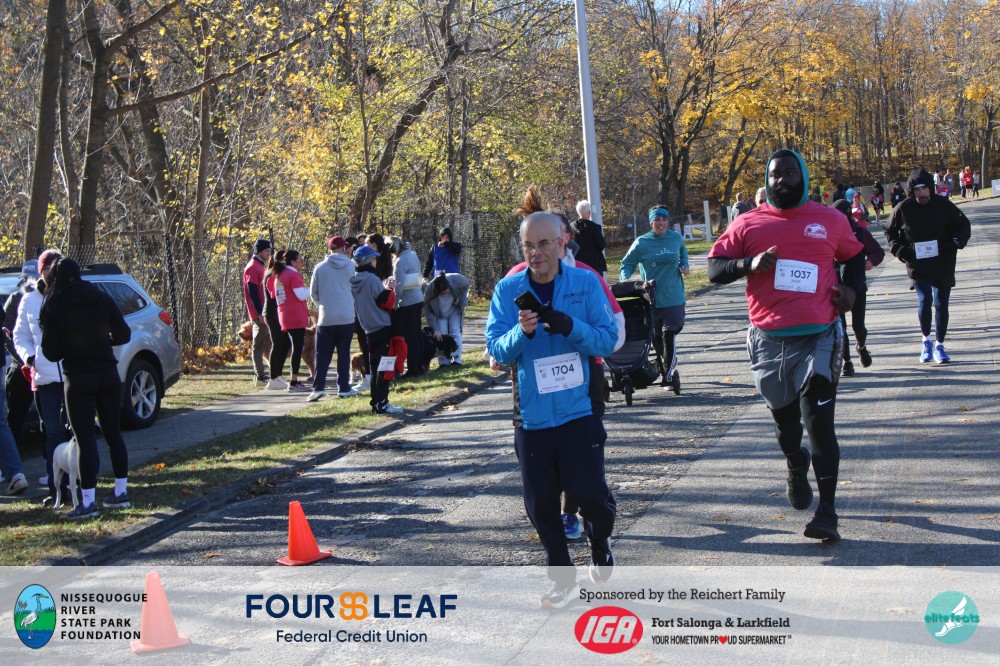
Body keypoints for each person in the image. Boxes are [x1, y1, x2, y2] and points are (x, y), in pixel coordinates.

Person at [707, 148, 866, 543]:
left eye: (790, 173)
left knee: (819, 423)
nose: (783, 180)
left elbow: (855, 256)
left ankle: (827, 512)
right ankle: (796, 463)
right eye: (776, 174)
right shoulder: (748, 223)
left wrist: (850, 290)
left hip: (819, 335)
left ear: (803, 177)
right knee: (787, 430)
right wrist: (749, 264)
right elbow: (714, 269)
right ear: (767, 179)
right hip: (768, 340)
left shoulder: (829, 219)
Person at [486, 209, 618, 608]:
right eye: (529, 245)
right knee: (541, 506)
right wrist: (522, 332)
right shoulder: (508, 290)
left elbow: (607, 340)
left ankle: (600, 540)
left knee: (591, 496)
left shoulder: (585, 283)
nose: (536, 252)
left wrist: (571, 328)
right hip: (532, 416)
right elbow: (496, 350)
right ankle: (562, 579)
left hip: (579, 410)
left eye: (544, 243)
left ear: (562, 243)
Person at [39, 258, 132, 519]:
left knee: (85, 439)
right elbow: (123, 334)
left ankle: (88, 501)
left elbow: (50, 352)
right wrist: (102, 342)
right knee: (113, 434)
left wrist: (72, 346)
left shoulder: (55, 304)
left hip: (78, 377)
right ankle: (121, 492)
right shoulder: (100, 296)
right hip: (107, 372)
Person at [884, 168, 971, 364]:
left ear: (931, 188)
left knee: (941, 303)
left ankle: (940, 345)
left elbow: (963, 226)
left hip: (943, 260)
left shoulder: (944, 205)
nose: (922, 193)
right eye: (917, 190)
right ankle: (926, 341)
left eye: (925, 189)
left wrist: (955, 242)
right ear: (912, 191)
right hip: (917, 261)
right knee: (925, 300)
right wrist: (900, 250)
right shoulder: (903, 208)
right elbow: (890, 231)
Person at [14, 250, 71, 503]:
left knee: (74, 431)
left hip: (71, 374)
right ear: (41, 271)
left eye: (57, 268)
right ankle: (56, 489)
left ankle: (81, 483)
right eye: (48, 269)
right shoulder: (29, 300)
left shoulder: (70, 294)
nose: (53, 273)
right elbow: (20, 335)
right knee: (52, 432)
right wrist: (30, 358)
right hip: (44, 378)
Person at [619, 206, 689, 393]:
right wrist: (624, 279)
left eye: (664, 219)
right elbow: (626, 263)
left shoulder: (676, 238)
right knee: (657, 339)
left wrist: (684, 265)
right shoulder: (642, 243)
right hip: (652, 299)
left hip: (674, 296)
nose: (661, 223)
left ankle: (668, 376)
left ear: (668, 221)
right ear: (651, 222)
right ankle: (667, 364)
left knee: (668, 333)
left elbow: (683, 253)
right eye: (657, 219)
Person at [831, 201, 885, 377]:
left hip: (857, 285)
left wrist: (870, 261)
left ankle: (861, 346)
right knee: (840, 326)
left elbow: (878, 251)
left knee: (858, 326)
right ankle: (847, 362)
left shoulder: (860, 232)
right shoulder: (828, 233)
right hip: (836, 286)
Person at [350, 245, 403, 415]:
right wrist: (390, 288)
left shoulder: (355, 279)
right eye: (373, 258)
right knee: (385, 367)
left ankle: (377, 402)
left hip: (368, 328)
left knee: (374, 367)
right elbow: (385, 302)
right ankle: (382, 402)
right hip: (382, 326)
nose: (375, 261)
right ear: (369, 261)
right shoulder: (372, 279)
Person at [307, 236, 358, 402]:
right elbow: (356, 289)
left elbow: (314, 293)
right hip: (347, 315)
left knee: (322, 354)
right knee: (343, 353)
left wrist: (324, 304)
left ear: (330, 249)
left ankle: (318, 387)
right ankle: (343, 387)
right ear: (343, 248)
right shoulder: (352, 265)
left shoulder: (320, 268)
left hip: (326, 316)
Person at [3, 260, 38, 454]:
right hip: (22, 368)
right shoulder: (15, 299)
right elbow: (8, 337)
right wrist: (25, 360)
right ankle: (12, 459)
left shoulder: (47, 298)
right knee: (15, 418)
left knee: (51, 419)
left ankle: (53, 463)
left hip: (46, 367)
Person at [273, 250, 310, 391]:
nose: (302, 263)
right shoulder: (293, 275)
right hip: (295, 316)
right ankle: (293, 381)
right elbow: (301, 295)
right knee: (297, 348)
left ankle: (290, 378)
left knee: (293, 347)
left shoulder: (281, 274)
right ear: (293, 262)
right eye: (300, 261)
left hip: (285, 314)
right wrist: (313, 287)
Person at [390, 236, 426, 377]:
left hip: (407, 302)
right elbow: (418, 276)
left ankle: (413, 369)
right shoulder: (412, 255)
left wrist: (394, 304)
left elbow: (398, 287)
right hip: (417, 298)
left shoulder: (400, 262)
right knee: (416, 334)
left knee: (410, 337)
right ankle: (419, 366)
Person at [424, 273, 470, 366]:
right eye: (442, 293)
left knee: (455, 331)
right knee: (441, 335)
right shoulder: (429, 291)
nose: (445, 294)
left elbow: (466, 284)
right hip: (440, 314)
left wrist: (462, 301)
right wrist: (435, 329)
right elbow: (428, 311)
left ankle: (457, 360)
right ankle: (444, 363)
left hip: (454, 309)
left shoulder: (455, 279)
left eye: (446, 292)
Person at [243, 239, 272, 383]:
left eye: (270, 251)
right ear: (259, 251)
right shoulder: (252, 267)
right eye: (266, 251)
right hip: (259, 312)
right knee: (258, 343)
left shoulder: (261, 265)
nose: (269, 254)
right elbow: (252, 291)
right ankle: (260, 375)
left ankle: (272, 373)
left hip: (265, 309)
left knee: (268, 342)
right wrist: (260, 312)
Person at [263, 250, 290, 390]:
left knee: (285, 344)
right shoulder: (272, 274)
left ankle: (278, 375)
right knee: (278, 344)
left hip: (279, 313)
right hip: (273, 314)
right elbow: (274, 295)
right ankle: (273, 378)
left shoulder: (277, 273)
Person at [572, 199, 608, 276]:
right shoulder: (594, 227)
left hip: (578, 265)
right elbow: (601, 245)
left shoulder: (571, 227)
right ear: (588, 212)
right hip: (594, 265)